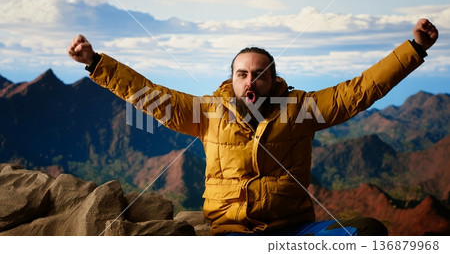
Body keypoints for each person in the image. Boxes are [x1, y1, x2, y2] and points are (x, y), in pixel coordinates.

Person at [68, 19, 438, 236]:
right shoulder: (206, 113)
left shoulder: (301, 110)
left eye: (260, 75)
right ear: (231, 80)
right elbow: (147, 95)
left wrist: (414, 48)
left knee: (369, 231)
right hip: (229, 234)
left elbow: (357, 92)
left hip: (293, 232)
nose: (251, 81)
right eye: (242, 73)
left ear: (274, 80)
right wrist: (96, 62)